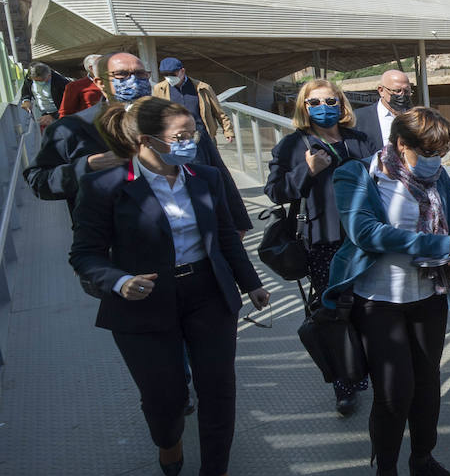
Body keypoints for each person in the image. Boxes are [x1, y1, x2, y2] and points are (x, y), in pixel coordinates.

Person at [68, 96, 270, 476]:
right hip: (144, 299)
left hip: (207, 292)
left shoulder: (206, 177)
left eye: (193, 133)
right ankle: (168, 440)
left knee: (218, 388)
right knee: (166, 397)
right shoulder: (104, 186)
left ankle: (216, 470)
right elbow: (84, 253)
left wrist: (250, 284)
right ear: (146, 141)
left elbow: (226, 236)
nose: (191, 142)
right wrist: (120, 281)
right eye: (181, 136)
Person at [323, 107, 450, 476]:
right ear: (401, 144)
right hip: (378, 299)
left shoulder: (438, 177)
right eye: (429, 150)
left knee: (426, 386)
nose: (437, 159)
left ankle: (422, 459)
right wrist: (440, 246)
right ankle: (385, 471)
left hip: (428, 295)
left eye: (443, 151)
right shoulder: (359, 174)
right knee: (393, 394)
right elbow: (365, 233)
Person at [264, 79, 377, 415]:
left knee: (370, 309)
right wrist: (307, 171)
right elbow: (275, 192)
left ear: (342, 105)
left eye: (330, 100)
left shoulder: (360, 140)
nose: (323, 107)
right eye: (314, 102)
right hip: (323, 240)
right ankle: (345, 384)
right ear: (304, 107)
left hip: (365, 237)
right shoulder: (291, 145)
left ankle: (372, 370)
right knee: (334, 314)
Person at [25, 52, 143, 215]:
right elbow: (38, 182)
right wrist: (87, 166)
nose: (134, 80)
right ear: (100, 83)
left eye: (140, 74)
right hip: (105, 231)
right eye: (122, 74)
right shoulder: (68, 129)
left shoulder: (167, 119)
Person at [152, 56, 252, 234]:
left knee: (212, 173)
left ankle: (221, 213)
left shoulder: (202, 88)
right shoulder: (159, 89)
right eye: (165, 74)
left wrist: (227, 130)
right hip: (176, 138)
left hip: (202, 136)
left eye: (173, 73)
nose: (169, 77)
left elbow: (218, 111)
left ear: (182, 71)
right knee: (185, 172)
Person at [353, 68, 413, 150]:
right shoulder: (359, 118)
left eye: (406, 91)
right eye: (397, 91)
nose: (402, 95)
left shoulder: (416, 117)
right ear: (381, 90)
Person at [20, 62, 70, 132]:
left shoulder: (61, 83)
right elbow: (26, 88)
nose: (37, 83)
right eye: (35, 80)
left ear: (49, 76)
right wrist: (26, 100)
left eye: (40, 81)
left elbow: (70, 103)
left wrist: (54, 116)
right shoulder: (30, 76)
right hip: (41, 112)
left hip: (58, 114)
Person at [59, 53, 106, 118]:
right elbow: (65, 112)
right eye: (103, 65)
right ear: (91, 68)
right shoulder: (74, 86)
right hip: (90, 124)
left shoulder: (115, 81)